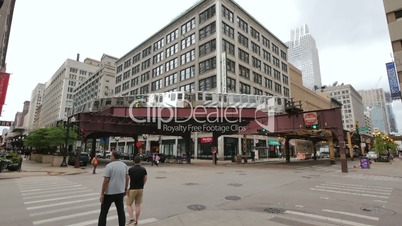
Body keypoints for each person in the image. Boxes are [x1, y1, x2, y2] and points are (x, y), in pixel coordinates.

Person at [98, 151, 129, 226]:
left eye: (111, 156)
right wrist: (125, 189)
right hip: (120, 192)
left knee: (104, 212)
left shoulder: (109, 166)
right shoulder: (124, 165)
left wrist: (102, 193)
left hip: (109, 193)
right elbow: (127, 178)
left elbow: (106, 180)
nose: (110, 157)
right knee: (120, 211)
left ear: (114, 157)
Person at [126, 156, 147, 226]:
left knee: (129, 204)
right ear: (140, 161)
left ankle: (132, 218)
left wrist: (126, 188)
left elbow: (128, 179)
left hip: (132, 188)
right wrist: (142, 185)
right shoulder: (143, 169)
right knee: (138, 205)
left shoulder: (131, 169)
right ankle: (136, 220)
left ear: (134, 161)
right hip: (140, 189)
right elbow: (145, 178)